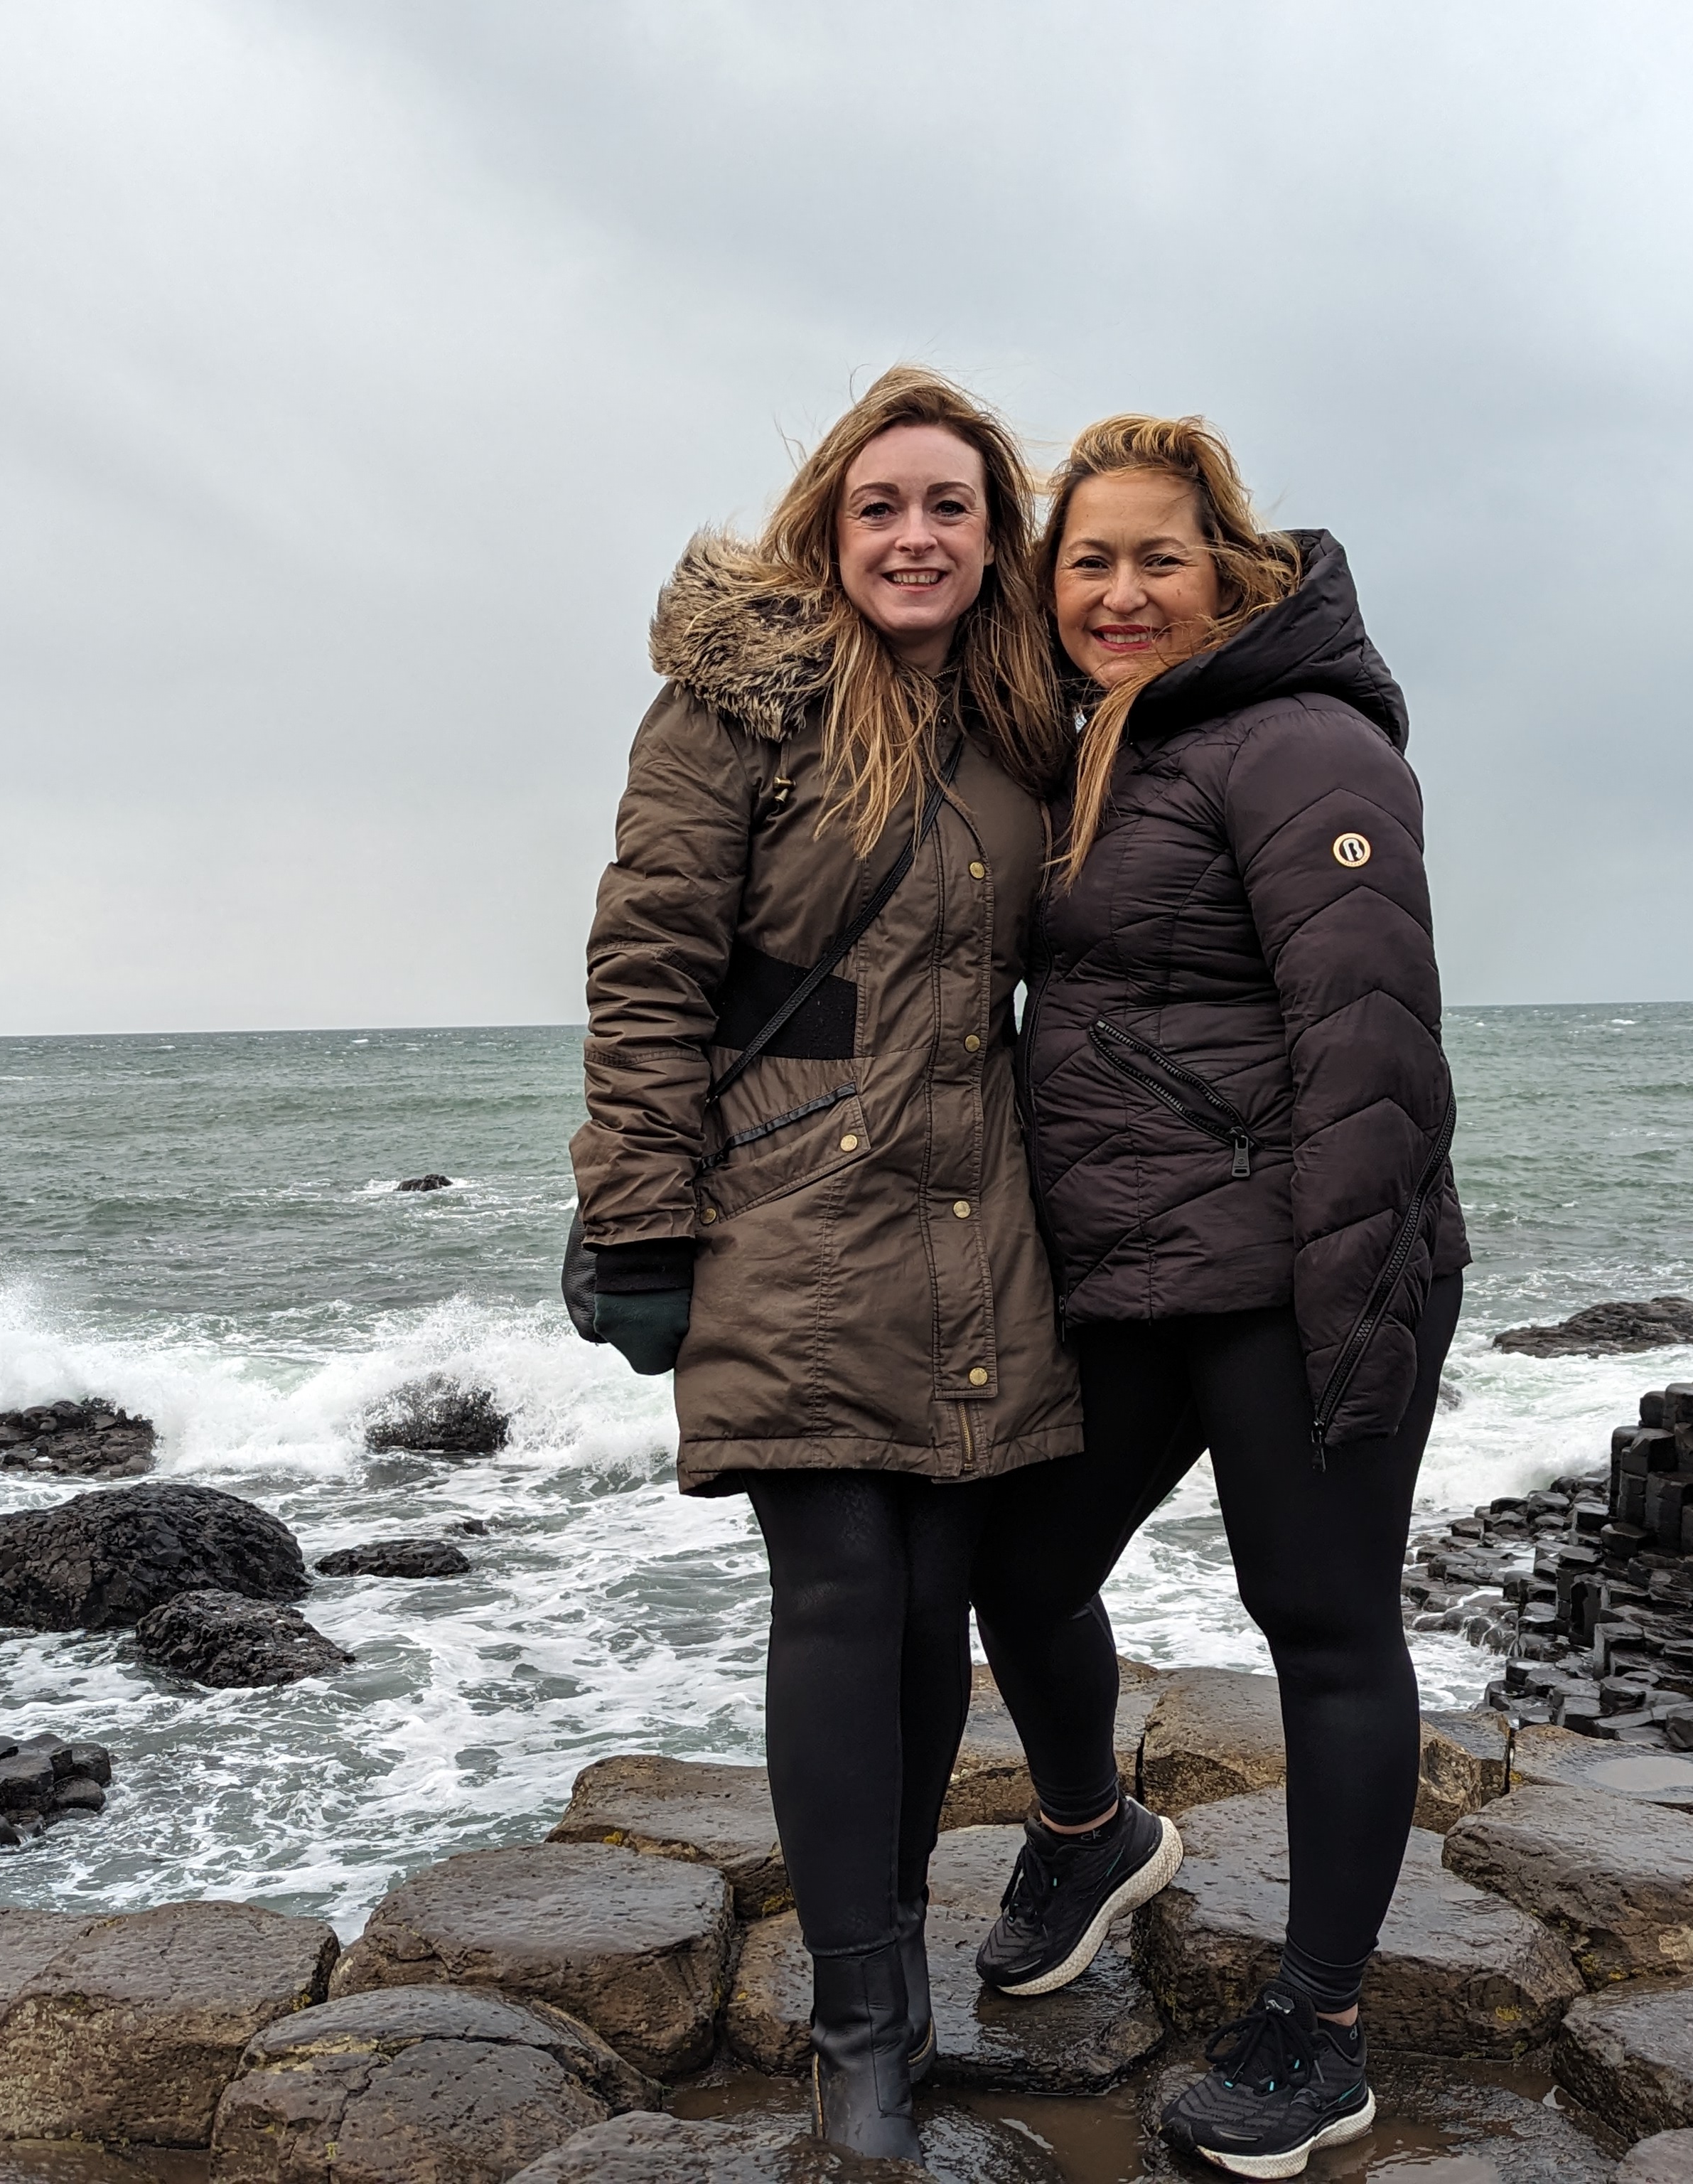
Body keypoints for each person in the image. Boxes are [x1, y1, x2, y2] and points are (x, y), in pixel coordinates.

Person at [570, 366, 1081, 2163]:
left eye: (950, 507)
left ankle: (909, 1968)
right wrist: (640, 1220)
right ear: (830, 525)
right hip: (789, 1199)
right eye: (883, 507)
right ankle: (859, 2021)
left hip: (978, 1209)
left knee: (937, 1613)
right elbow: (648, 971)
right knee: (840, 1597)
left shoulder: (1033, 719)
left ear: (991, 536)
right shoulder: (740, 703)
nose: (916, 536)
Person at [966, 415, 1468, 2179]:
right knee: (1012, 1568)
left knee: (1323, 1626)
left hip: (1293, 1269)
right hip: (1130, 1275)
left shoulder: (1300, 739)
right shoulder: (1097, 745)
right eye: (1087, 562)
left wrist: (1358, 1299)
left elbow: (1373, 1043)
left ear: (1227, 568)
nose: (1118, 591)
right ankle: (1092, 1831)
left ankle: (1319, 2032)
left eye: (1154, 557)